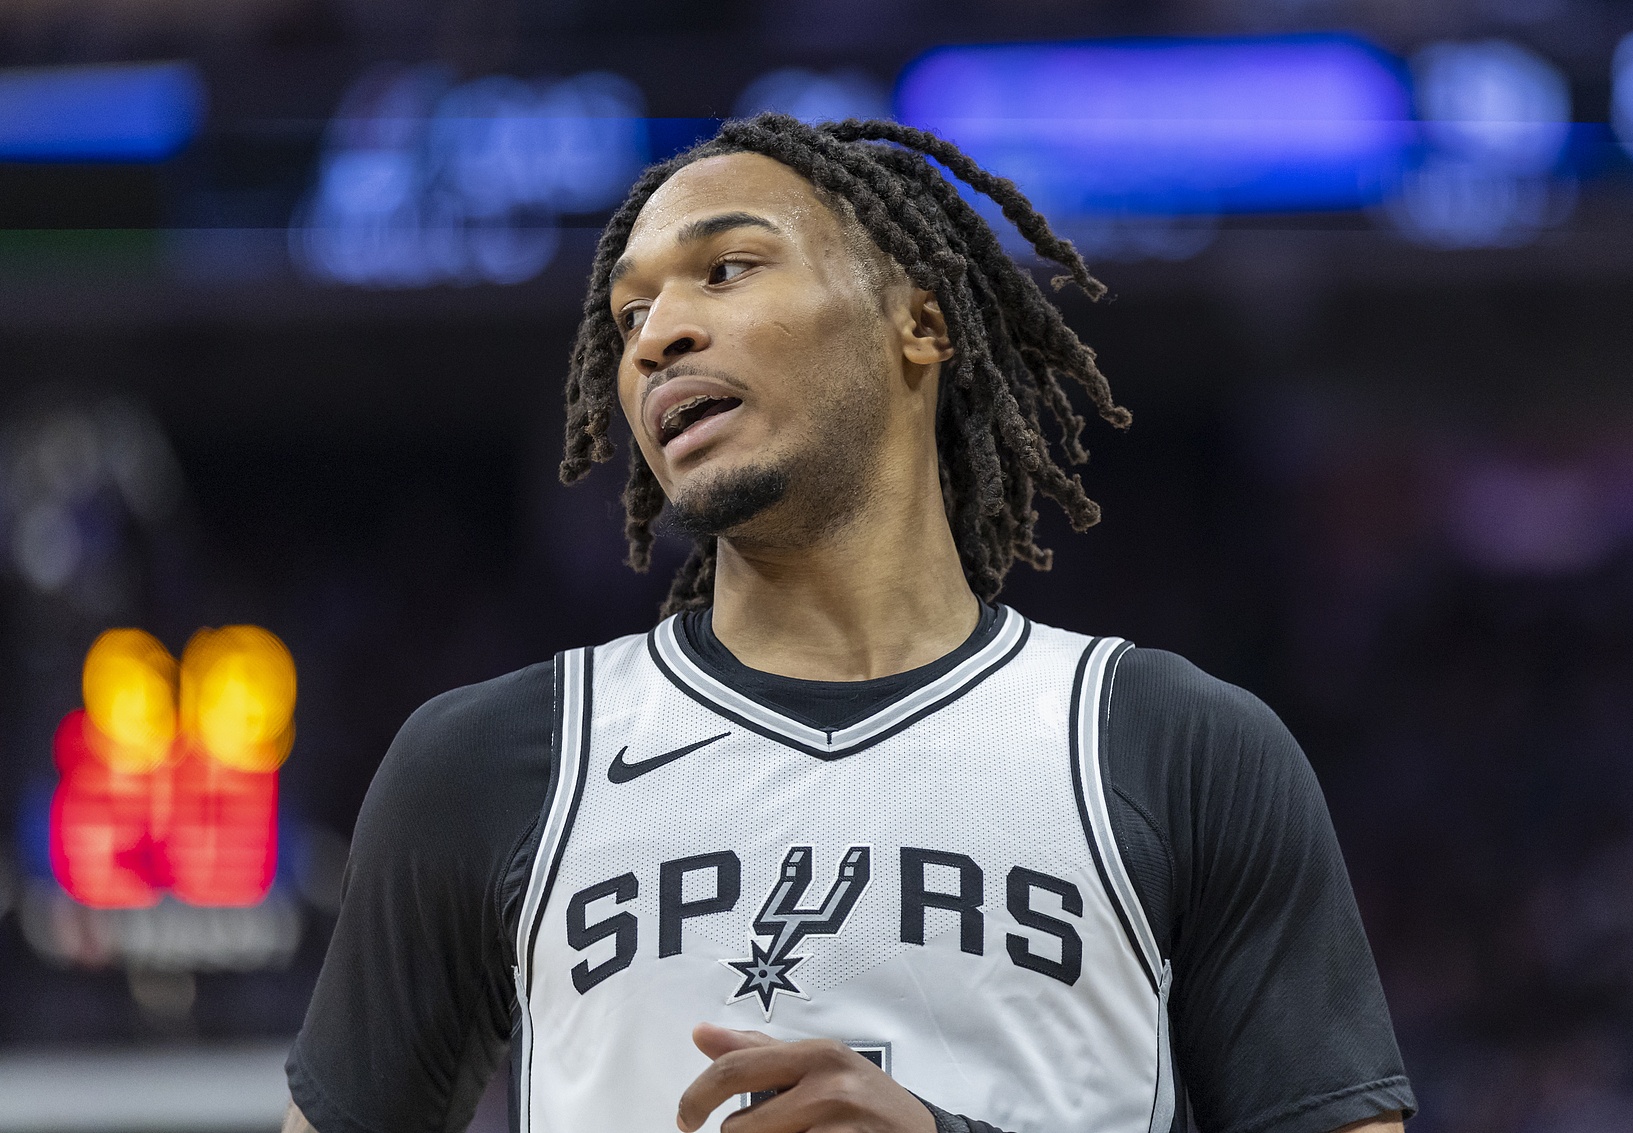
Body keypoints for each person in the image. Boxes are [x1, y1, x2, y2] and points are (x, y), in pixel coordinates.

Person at [283, 114, 1417, 1133]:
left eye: (726, 269)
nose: (657, 334)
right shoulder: (488, 761)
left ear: (918, 321)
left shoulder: (1177, 746)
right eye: (631, 312)